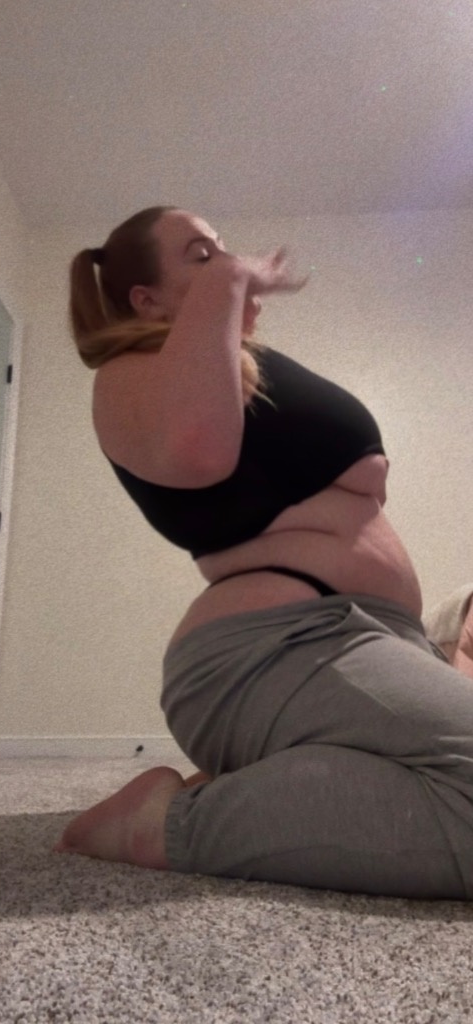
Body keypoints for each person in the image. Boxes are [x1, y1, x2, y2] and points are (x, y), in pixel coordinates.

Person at [56, 205, 473, 899]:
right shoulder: (129, 371)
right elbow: (196, 451)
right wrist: (228, 280)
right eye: (200, 255)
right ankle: (161, 826)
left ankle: (264, 782)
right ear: (146, 300)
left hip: (374, 642)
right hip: (274, 648)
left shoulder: (238, 368)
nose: (226, 262)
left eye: (222, 250)